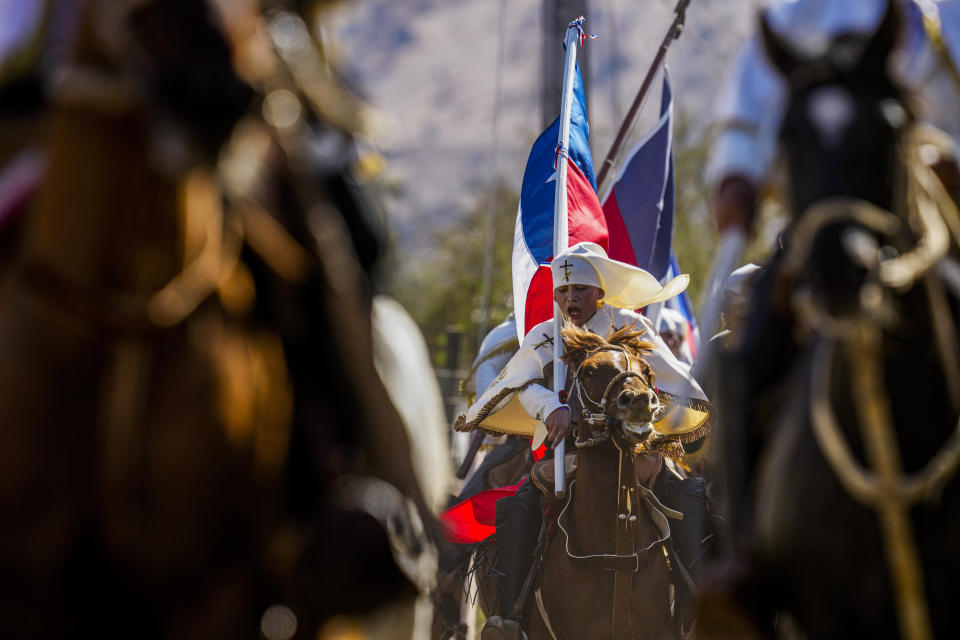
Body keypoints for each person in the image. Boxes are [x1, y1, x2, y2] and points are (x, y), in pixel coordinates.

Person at [455, 242, 712, 640]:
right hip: (570, 453)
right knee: (518, 507)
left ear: (600, 292)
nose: (570, 298)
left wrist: (648, 411)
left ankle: (707, 609)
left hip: (638, 450)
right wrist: (550, 408)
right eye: (563, 290)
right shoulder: (548, 334)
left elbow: (669, 378)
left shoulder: (631, 328)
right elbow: (521, 381)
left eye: (580, 289)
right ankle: (510, 618)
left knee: (692, 497)